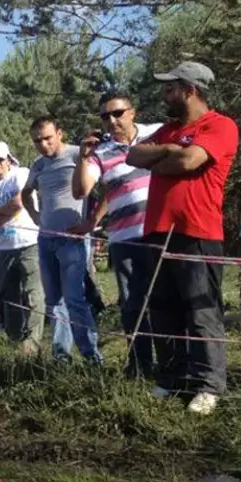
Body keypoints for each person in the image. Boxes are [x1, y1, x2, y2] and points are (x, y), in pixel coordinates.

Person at [127, 61, 239, 415]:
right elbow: (133, 154)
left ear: (190, 90)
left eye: (171, 88)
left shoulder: (220, 125)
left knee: (201, 310)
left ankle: (209, 384)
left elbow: (190, 161)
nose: (165, 94)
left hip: (197, 232)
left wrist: (165, 158)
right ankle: (172, 377)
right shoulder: (167, 130)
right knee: (163, 309)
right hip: (158, 230)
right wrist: (166, 152)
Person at [73, 92, 164, 378]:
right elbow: (81, 190)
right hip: (124, 238)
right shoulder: (100, 153)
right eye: (104, 116)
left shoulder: (157, 133)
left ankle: (172, 365)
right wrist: (82, 157)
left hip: (161, 232)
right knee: (132, 304)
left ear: (133, 112)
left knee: (165, 301)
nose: (111, 120)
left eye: (117, 113)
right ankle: (140, 366)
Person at [23, 117, 103, 364]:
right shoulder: (38, 165)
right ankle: (61, 357)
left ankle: (91, 357)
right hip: (46, 239)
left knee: (74, 299)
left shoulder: (76, 155)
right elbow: (25, 193)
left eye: (47, 138)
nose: (43, 144)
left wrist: (92, 222)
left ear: (60, 133)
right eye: (37, 140)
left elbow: (102, 189)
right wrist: (35, 215)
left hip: (73, 238)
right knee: (54, 301)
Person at [0, 141, 44, 353]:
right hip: (2, 248)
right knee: (9, 297)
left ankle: (32, 344)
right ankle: (15, 339)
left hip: (29, 242)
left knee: (35, 294)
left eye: (0, 159)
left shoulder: (21, 174)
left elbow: (19, 202)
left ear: (9, 159)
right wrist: (1, 215)